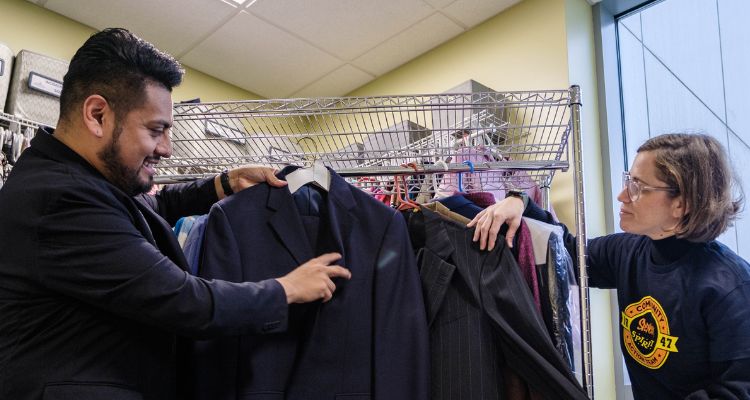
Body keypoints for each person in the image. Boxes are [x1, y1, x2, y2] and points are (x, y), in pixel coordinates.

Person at [0, 28, 351, 400]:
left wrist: (224, 182)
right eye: (156, 130)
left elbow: (154, 208)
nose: (166, 149)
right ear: (97, 114)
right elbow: (186, 302)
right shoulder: (61, 199)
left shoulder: (78, 183)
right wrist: (287, 289)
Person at [468, 133, 750, 399]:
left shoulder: (730, 287)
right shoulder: (630, 251)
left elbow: (737, 391)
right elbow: (565, 253)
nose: (623, 195)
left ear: (682, 203)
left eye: (639, 187)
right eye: (629, 180)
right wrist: (520, 202)